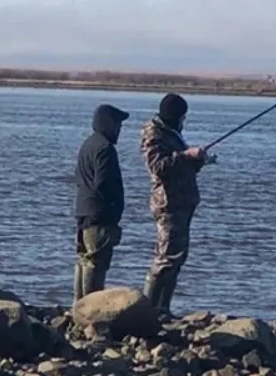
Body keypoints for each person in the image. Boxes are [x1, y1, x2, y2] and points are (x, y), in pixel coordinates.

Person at [139, 92, 213, 314]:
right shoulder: (153, 135)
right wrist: (187, 156)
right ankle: (148, 310)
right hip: (168, 204)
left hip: (182, 203)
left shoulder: (171, 133)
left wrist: (197, 161)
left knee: (177, 257)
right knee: (165, 258)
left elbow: (178, 166)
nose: (184, 121)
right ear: (173, 116)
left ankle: (163, 309)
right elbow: (158, 167)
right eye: (182, 117)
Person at [73, 103, 130, 302]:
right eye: (117, 125)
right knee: (95, 263)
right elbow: (104, 184)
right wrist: (114, 210)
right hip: (99, 216)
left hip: (83, 212)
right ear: (107, 124)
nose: (120, 130)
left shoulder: (88, 144)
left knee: (84, 261)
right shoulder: (105, 149)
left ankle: (78, 308)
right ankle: (90, 310)